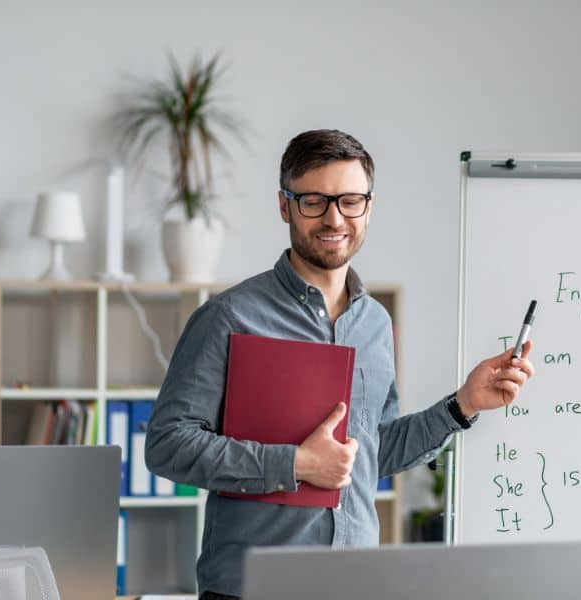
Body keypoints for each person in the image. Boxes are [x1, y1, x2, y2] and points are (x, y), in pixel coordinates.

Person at [145, 129, 535, 600]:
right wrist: (296, 464)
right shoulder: (229, 317)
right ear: (285, 205)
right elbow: (167, 444)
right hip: (252, 590)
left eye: (350, 200)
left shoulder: (374, 323)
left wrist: (462, 405)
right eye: (314, 200)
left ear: (368, 207)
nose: (334, 218)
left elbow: (372, 454)